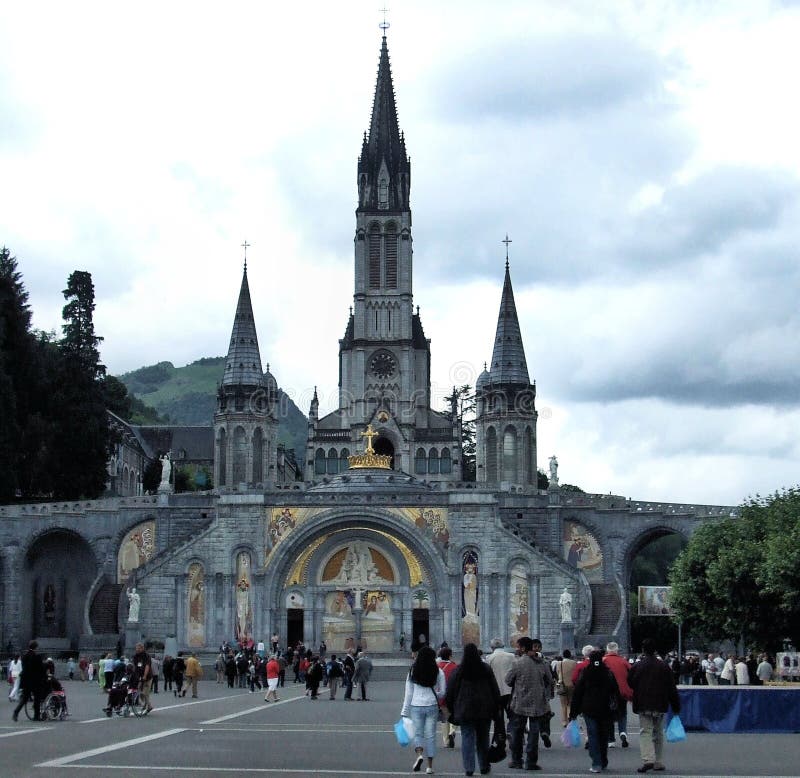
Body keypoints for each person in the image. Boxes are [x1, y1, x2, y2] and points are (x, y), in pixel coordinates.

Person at [444, 642, 501, 777]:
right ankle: (484, 766)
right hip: (484, 709)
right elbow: (494, 689)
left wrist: (452, 707)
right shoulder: (485, 669)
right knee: (483, 738)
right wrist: (497, 706)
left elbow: (450, 691)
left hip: (465, 710)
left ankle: (469, 768)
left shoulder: (459, 670)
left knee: (467, 738)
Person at [628, 638, 681, 774]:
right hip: (660, 703)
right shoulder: (664, 666)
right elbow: (671, 688)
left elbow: (630, 683)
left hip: (643, 703)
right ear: (655, 650)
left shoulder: (637, 666)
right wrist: (675, 706)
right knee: (658, 732)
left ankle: (648, 759)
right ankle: (658, 761)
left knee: (645, 731)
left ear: (643, 650)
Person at [504, 636, 553, 771]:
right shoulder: (542, 662)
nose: (517, 649)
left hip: (520, 702)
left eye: (519, 646)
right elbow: (550, 679)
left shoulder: (518, 663)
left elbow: (508, 680)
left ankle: (517, 760)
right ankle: (531, 762)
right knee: (534, 733)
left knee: (517, 733)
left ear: (524, 648)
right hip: (538, 704)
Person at [570, 649, 620, 774]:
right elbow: (615, 691)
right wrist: (617, 709)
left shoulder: (585, 673)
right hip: (605, 709)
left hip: (589, 708)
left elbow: (578, 693)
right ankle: (603, 760)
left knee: (592, 735)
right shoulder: (608, 673)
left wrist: (573, 712)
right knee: (603, 736)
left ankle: (596, 762)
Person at [401, 645, 446, 775]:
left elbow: (408, 693)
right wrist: (435, 694)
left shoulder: (412, 671)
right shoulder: (438, 671)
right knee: (431, 735)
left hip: (416, 705)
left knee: (418, 734)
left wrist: (404, 711)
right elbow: (443, 692)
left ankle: (419, 754)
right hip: (431, 705)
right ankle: (430, 766)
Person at [603, 642, 632, 748]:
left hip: (607, 694)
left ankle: (611, 740)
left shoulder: (603, 661)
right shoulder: (623, 661)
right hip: (622, 692)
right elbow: (631, 675)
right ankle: (623, 732)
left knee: (608, 716)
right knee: (622, 713)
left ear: (607, 650)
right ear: (617, 650)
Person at [13, 641, 47, 722]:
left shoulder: (25, 656)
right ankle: (36, 716)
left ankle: (16, 711)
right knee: (37, 698)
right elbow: (41, 669)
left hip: (26, 680)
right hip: (35, 681)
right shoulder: (37, 656)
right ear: (36, 647)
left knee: (25, 698)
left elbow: (25, 668)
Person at [437, 645, 460, 748]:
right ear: (450, 656)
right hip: (453, 695)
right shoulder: (455, 666)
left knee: (444, 718)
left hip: (441, 696)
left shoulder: (436, 667)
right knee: (455, 715)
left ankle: (446, 741)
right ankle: (453, 730)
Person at [555, 648, 577, 727]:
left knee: (563, 704)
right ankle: (569, 716)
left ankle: (564, 721)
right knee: (570, 703)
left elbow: (557, 673)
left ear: (563, 656)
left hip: (562, 685)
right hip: (572, 685)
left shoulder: (559, 663)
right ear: (570, 655)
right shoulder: (574, 663)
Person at [132, 642, 154, 713]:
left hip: (148, 677)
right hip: (139, 676)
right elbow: (135, 666)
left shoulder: (146, 656)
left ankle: (148, 706)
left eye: (139, 648)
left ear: (142, 648)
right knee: (139, 692)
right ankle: (148, 706)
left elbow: (147, 666)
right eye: (136, 648)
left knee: (145, 693)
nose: (137, 650)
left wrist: (144, 676)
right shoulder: (135, 656)